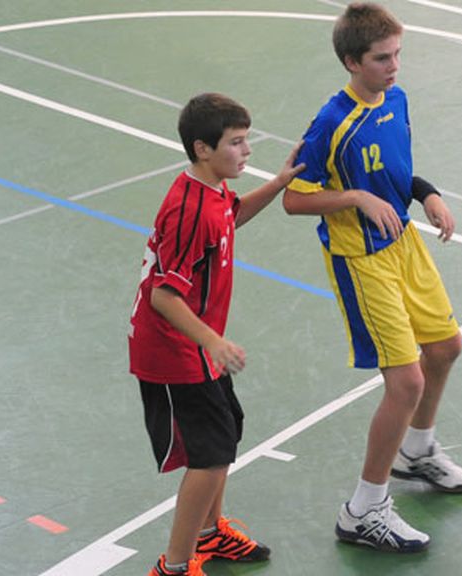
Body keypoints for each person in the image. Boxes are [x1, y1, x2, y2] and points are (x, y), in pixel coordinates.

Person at [282, 2, 462, 554]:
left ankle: (418, 452)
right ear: (351, 61)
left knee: (445, 348)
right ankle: (364, 509)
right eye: (381, 58)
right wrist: (355, 197)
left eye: (397, 54)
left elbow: (396, 171)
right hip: (360, 259)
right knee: (406, 382)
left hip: (404, 243)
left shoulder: (397, 99)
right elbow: (295, 200)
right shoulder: (330, 123)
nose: (394, 66)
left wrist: (427, 194)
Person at [129, 92, 304, 576]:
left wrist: (279, 183)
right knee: (208, 456)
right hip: (174, 352)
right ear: (203, 149)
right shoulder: (189, 210)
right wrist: (213, 341)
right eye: (237, 142)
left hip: (198, 348)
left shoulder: (212, 194)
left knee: (225, 435)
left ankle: (209, 535)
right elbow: (164, 296)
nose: (247, 151)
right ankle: (176, 567)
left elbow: (232, 215)